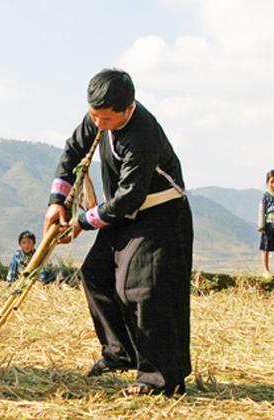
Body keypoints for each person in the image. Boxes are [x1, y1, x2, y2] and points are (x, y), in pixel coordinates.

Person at [44, 69, 193, 396]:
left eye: (107, 119)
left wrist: (82, 222)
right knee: (96, 272)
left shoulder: (142, 134)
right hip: (121, 214)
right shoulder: (97, 118)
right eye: (94, 116)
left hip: (158, 215)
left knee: (142, 290)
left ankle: (161, 378)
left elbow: (130, 196)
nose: (99, 125)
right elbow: (73, 153)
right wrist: (58, 201)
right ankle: (119, 352)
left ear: (129, 109)